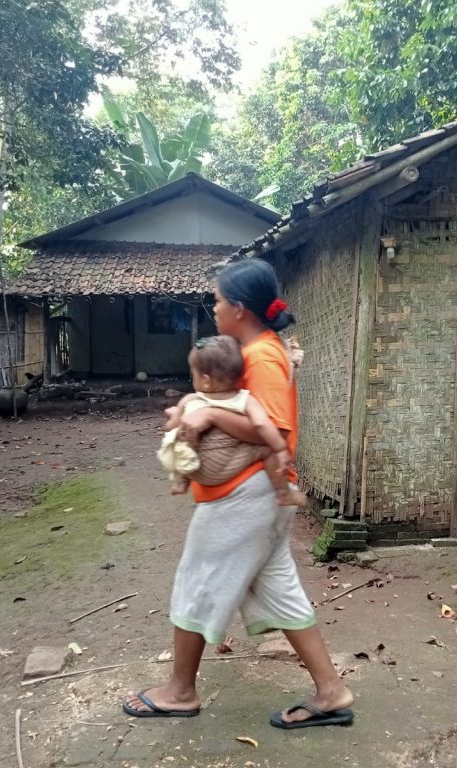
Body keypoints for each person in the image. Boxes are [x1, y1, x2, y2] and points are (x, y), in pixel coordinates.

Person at [124, 258, 354, 729]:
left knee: (197, 580)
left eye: (218, 300)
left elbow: (277, 430)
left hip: (244, 498)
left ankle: (180, 691)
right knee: (279, 589)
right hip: (257, 500)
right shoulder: (253, 351)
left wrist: (207, 417)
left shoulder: (264, 356)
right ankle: (331, 691)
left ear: (240, 308)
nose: (213, 307)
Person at [157, 334, 308, 509]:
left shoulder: (190, 399)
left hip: (187, 465)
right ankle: (283, 493)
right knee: (267, 449)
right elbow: (261, 424)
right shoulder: (245, 399)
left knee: (181, 439)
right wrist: (280, 449)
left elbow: (171, 427)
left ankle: (181, 482)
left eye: (194, 372)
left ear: (205, 380)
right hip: (218, 468)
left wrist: (175, 415)